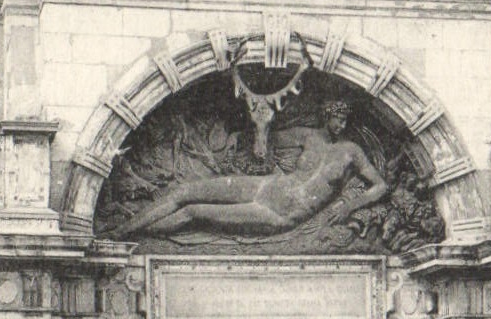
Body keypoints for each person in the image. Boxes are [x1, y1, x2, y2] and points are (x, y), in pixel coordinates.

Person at [117, 100, 388, 237]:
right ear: (326, 117)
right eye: (336, 119)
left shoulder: (350, 150)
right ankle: (120, 230)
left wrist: (350, 206)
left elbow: (380, 185)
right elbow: (263, 140)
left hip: (281, 211)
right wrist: (262, 121)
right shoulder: (308, 136)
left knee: (192, 211)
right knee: (185, 190)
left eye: (343, 120)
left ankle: (134, 234)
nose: (340, 125)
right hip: (270, 186)